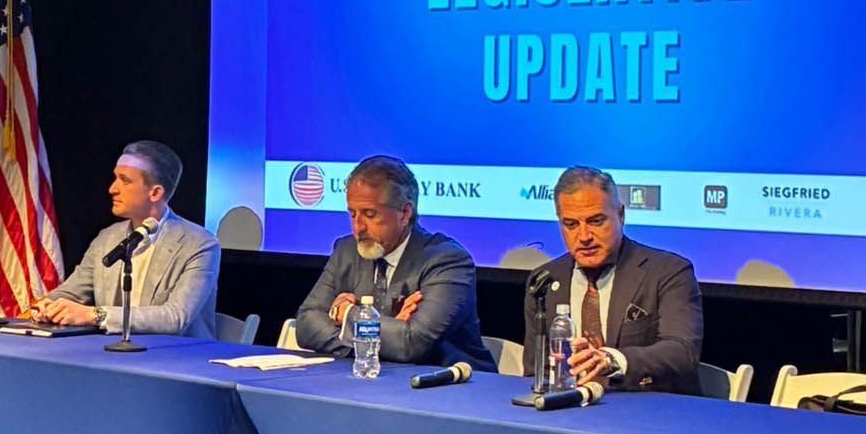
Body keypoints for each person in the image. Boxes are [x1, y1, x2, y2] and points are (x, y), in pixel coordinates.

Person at [294, 155, 495, 370]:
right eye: (352, 214)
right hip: (373, 380)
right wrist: (384, 334)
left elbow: (411, 344)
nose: (358, 227)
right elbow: (306, 325)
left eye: (369, 214)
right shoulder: (347, 250)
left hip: (448, 385)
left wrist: (347, 314)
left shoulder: (447, 261)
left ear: (404, 213)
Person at [530, 164, 703, 394]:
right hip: (568, 409)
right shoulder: (545, 280)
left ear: (620, 214)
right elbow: (534, 372)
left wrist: (611, 360)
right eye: (571, 224)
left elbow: (682, 351)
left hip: (647, 408)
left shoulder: (669, 272)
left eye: (596, 221)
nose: (584, 236)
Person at [34, 140, 219, 337]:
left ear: (155, 193)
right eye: (116, 178)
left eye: (125, 180)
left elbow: (175, 317)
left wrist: (95, 315)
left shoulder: (199, 244)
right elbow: (71, 292)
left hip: (176, 352)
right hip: (110, 350)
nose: (112, 188)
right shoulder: (107, 238)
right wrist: (49, 306)